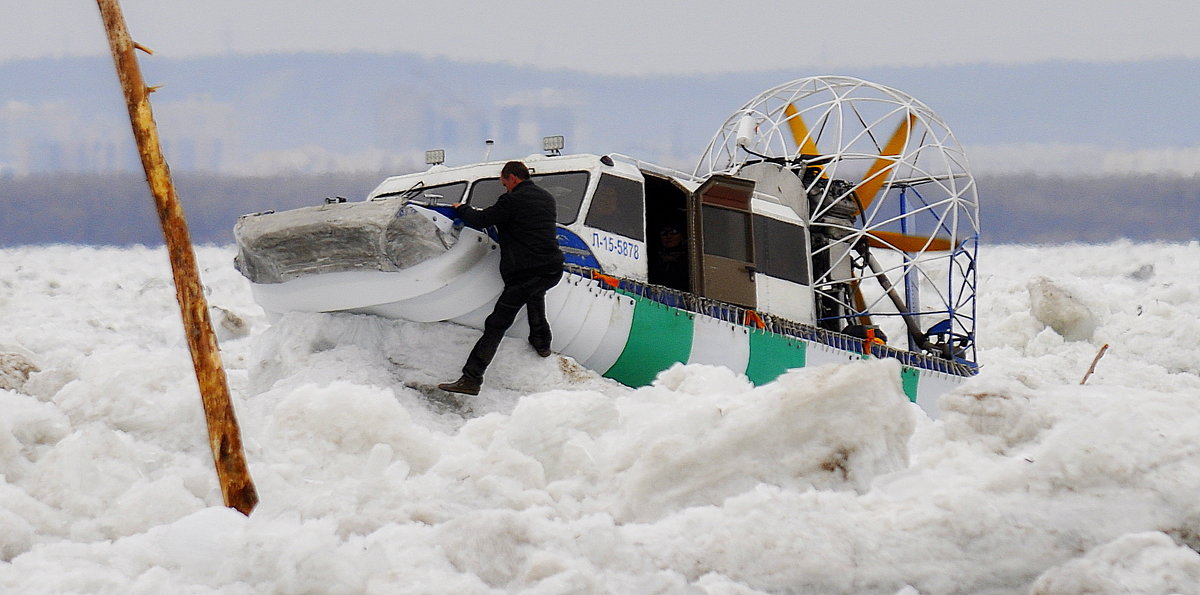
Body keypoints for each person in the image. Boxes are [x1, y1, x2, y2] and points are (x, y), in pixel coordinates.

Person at [437, 161, 565, 396]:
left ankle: (471, 379)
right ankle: (542, 344)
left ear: (513, 178)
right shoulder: (547, 198)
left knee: (496, 324)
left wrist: (461, 208)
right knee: (535, 296)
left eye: (503, 181)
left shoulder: (512, 200)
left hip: (525, 272)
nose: (503, 185)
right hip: (552, 268)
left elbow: (482, 219)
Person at [649, 223, 689, 291]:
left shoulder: (688, 260)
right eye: (664, 233)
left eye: (674, 232)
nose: (668, 236)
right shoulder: (653, 260)